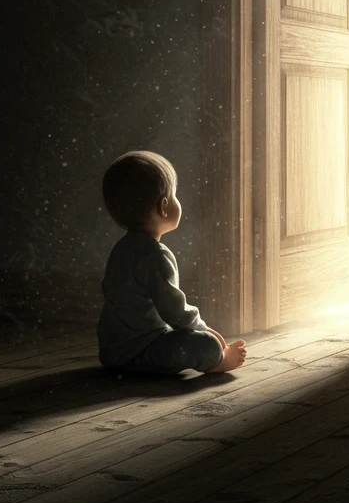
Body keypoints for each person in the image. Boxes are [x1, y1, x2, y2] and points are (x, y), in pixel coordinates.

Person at [96, 149, 247, 375]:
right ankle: (220, 359)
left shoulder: (121, 248)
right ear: (164, 207)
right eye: (175, 195)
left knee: (185, 338)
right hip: (142, 351)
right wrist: (204, 330)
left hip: (112, 352)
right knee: (205, 345)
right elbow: (175, 312)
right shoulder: (156, 254)